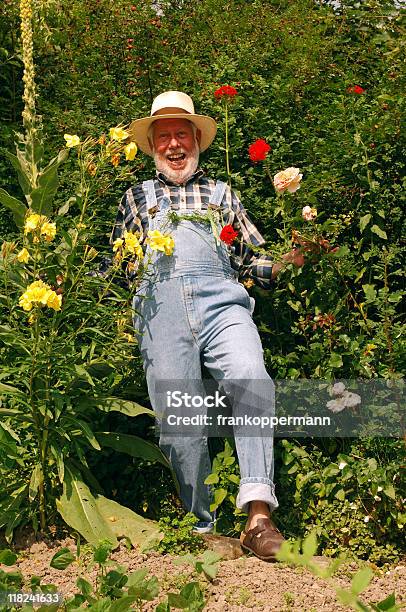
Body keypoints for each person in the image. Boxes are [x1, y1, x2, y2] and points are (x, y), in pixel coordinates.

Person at [110, 91, 304, 561]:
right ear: (152, 145)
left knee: (252, 379)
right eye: (164, 137)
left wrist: (282, 266)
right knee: (179, 414)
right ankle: (202, 529)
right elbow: (116, 268)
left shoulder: (222, 195)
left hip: (223, 303)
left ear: (197, 139)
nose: (174, 145)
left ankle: (259, 519)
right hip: (158, 309)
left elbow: (250, 256)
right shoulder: (136, 198)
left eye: (182, 134)